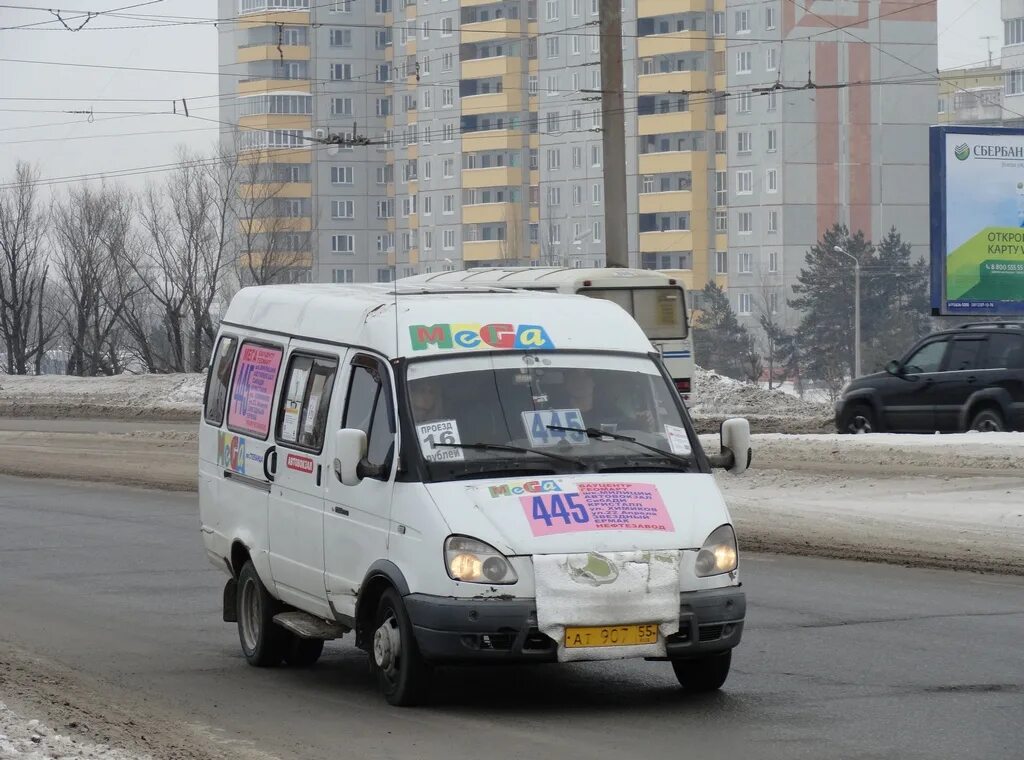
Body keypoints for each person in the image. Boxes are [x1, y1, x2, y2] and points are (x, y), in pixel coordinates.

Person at [561, 369, 655, 431]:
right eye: (574, 377)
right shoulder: (556, 411)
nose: (579, 382)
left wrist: (642, 422)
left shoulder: (608, 410)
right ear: (566, 383)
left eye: (584, 377)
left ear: (593, 382)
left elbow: (626, 426)